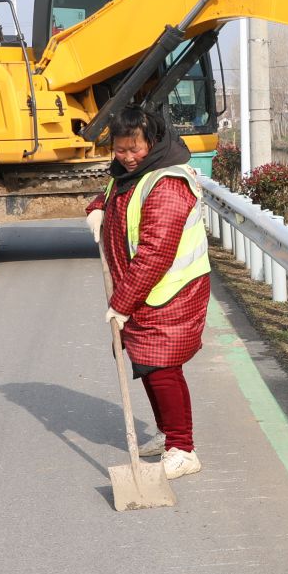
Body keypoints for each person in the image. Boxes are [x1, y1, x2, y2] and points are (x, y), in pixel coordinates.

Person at [84, 104, 211, 481]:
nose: (126, 158)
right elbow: (114, 195)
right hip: (144, 290)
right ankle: (169, 435)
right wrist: (96, 209)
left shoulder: (167, 183)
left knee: (163, 369)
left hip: (171, 291)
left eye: (134, 149)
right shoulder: (130, 173)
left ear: (152, 142)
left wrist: (120, 305)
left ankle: (183, 449)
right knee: (148, 365)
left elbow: (155, 254)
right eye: (119, 150)